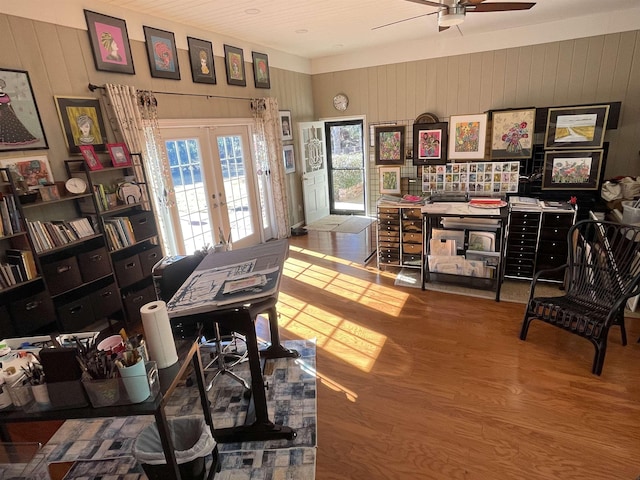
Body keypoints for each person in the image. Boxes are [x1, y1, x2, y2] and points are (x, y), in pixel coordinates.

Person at [0, 78, 38, 147]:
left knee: (13, 125)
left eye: (1, 86)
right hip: (1, 111)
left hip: (7, 111)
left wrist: (11, 110)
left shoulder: (5, 94)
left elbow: (8, 103)